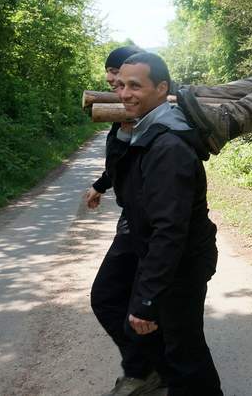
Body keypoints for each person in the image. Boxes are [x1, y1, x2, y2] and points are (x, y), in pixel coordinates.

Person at [113, 52, 222, 394]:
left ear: (162, 89)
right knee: (180, 349)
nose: (125, 94)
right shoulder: (147, 132)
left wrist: (147, 298)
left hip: (182, 265)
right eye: (120, 85)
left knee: (185, 354)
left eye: (135, 85)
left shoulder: (167, 146)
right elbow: (125, 192)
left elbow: (169, 229)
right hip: (174, 264)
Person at [85, 46, 165, 396]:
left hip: (145, 223)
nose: (118, 90)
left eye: (121, 80)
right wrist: (101, 185)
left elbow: (137, 166)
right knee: (124, 298)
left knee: (109, 296)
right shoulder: (127, 118)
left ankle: (144, 368)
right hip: (133, 219)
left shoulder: (152, 122)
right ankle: (148, 365)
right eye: (114, 84)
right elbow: (118, 167)